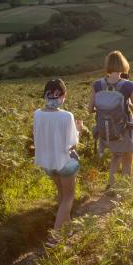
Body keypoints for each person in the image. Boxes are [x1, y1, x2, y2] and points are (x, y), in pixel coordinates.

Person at [33, 78, 81, 234]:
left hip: (48, 163)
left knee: (61, 194)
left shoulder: (37, 114)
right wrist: (79, 129)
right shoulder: (67, 116)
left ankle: (66, 230)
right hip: (64, 162)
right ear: (63, 95)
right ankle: (56, 236)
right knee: (68, 197)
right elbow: (72, 144)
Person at [88, 50, 133, 190]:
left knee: (115, 156)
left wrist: (104, 109)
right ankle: (124, 186)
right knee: (127, 156)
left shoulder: (97, 85)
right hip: (123, 128)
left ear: (108, 65)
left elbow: (89, 109)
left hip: (105, 129)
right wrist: (127, 103)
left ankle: (111, 185)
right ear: (123, 64)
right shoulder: (128, 85)